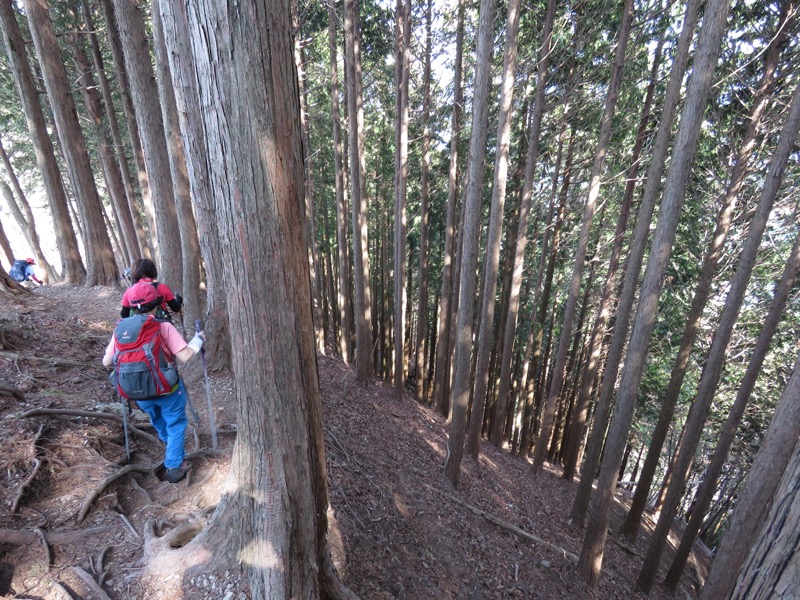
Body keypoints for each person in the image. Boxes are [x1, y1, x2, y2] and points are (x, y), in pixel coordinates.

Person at [103, 281, 204, 483]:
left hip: (136, 390)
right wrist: (198, 340)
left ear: (131, 305)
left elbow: (106, 361)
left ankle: (170, 446)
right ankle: (174, 465)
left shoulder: (120, 329)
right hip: (166, 388)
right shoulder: (162, 326)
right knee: (176, 423)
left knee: (157, 419)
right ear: (157, 302)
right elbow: (184, 356)